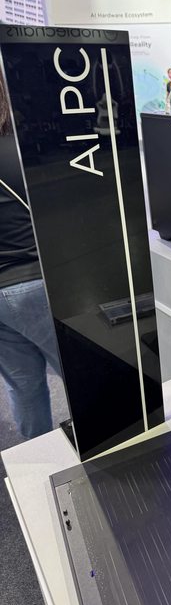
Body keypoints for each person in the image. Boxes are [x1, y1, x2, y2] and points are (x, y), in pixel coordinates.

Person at [0, 72, 61, 439]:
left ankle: (41, 459)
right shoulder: (18, 151)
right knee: (83, 375)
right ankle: (113, 458)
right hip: (32, 281)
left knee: (23, 387)